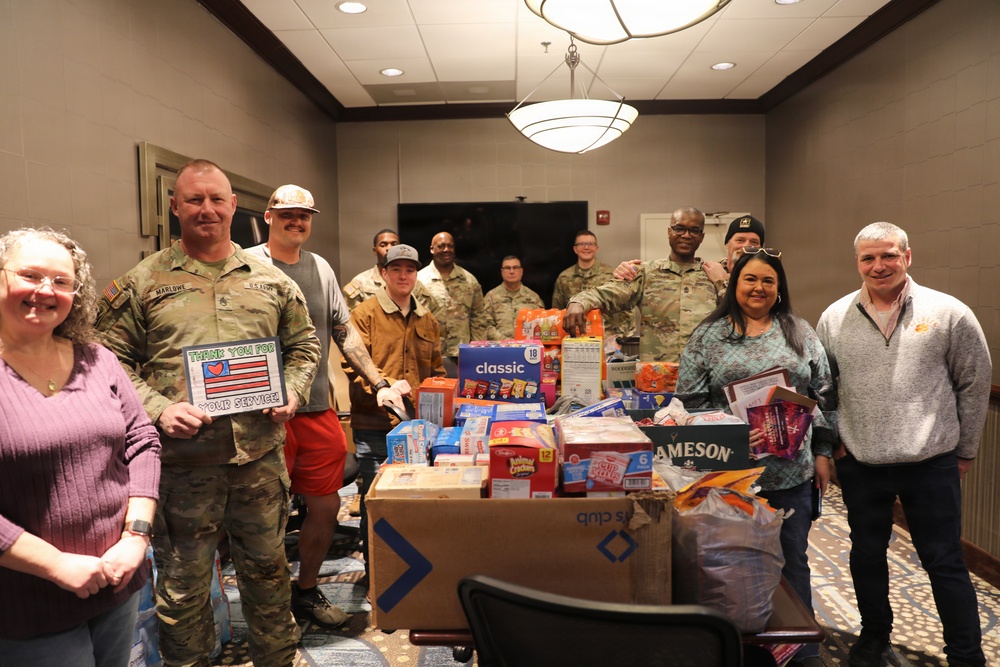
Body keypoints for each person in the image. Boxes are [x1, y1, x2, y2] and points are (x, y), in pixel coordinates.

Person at [96, 159, 321, 667]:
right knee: (182, 592)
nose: (207, 209)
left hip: (259, 460)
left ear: (234, 205)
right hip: (181, 468)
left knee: (268, 577)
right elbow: (107, 360)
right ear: (174, 206)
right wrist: (157, 408)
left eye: (217, 198)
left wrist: (291, 391)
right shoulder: (144, 281)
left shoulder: (271, 281)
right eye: (194, 199)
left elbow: (305, 345)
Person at [817, 222, 990, 667]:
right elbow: (824, 389)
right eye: (868, 258)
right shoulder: (834, 318)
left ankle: (966, 654)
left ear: (907, 257)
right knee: (866, 555)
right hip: (861, 463)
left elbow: (973, 384)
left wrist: (966, 450)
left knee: (945, 562)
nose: (879, 266)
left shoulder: (948, 312)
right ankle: (874, 636)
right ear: (857, 262)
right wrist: (836, 444)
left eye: (888, 255)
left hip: (930, 463)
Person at [246, 185, 405, 629]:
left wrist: (378, 382)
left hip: (316, 409)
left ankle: (306, 589)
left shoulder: (320, 268)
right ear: (270, 216)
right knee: (262, 517)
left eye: (304, 215)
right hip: (261, 416)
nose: (296, 222)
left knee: (325, 506)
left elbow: (343, 330)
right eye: (288, 214)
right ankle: (268, 601)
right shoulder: (245, 263)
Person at [0, 228, 161, 667]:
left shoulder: (97, 358)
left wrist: (135, 538)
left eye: (62, 281)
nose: (45, 291)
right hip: (28, 601)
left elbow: (142, 442)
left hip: (117, 578)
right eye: (30, 275)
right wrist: (54, 564)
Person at [675, 246, 834, 667]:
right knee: (726, 565)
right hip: (729, 476)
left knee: (791, 560)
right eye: (750, 279)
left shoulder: (800, 332)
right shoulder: (708, 336)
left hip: (790, 475)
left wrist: (821, 452)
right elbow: (686, 403)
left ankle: (801, 651)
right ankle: (731, 648)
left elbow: (825, 395)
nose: (758, 287)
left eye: (768, 280)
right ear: (734, 284)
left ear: (779, 288)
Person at [347, 244, 446, 576]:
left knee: (414, 498)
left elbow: (436, 372)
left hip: (418, 428)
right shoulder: (364, 314)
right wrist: (387, 385)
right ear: (384, 274)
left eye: (410, 270)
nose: (404, 276)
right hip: (375, 422)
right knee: (376, 500)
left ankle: (411, 568)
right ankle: (376, 575)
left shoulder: (427, 318)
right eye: (397, 270)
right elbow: (354, 368)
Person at [564, 207, 723, 363]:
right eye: (679, 229)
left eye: (694, 231)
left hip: (702, 379)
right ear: (669, 232)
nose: (686, 235)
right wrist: (578, 302)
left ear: (702, 237)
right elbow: (608, 293)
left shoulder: (713, 275)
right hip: (655, 379)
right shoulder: (646, 273)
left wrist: (723, 282)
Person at [416, 231, 486, 375]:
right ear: (432, 249)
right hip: (429, 355)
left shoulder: (469, 280)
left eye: (450, 246)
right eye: (441, 246)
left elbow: (478, 318)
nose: (446, 250)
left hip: (462, 356)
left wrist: (478, 351)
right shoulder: (419, 280)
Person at [552, 230, 631, 339]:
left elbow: (626, 308)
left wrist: (620, 339)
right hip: (572, 339)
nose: (586, 247)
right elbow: (557, 312)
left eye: (590, 244)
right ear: (575, 249)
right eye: (581, 244)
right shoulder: (564, 277)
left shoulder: (610, 275)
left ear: (596, 248)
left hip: (604, 339)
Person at [342, 229, 438, 313]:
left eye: (394, 244)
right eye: (383, 245)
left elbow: (432, 315)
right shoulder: (360, 283)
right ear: (375, 251)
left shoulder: (412, 283)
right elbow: (351, 321)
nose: (389, 248)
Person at [483, 255, 543, 340]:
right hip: (500, 348)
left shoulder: (534, 298)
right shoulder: (491, 297)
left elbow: (542, 324)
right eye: (507, 268)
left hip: (527, 348)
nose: (511, 271)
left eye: (515, 268)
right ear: (502, 272)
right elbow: (485, 325)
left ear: (521, 271)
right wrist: (507, 342)